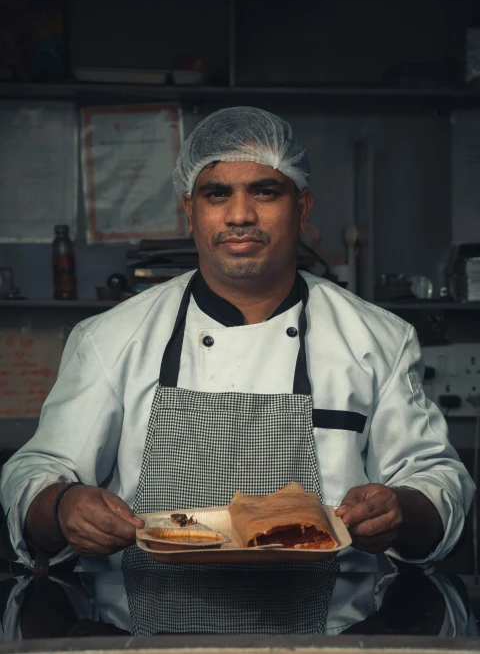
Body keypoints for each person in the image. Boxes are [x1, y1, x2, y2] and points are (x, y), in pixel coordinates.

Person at [0, 106, 475, 634]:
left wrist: (403, 509)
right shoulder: (111, 338)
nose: (240, 214)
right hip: (141, 638)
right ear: (190, 210)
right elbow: (34, 472)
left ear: (302, 207)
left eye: (266, 191)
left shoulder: (377, 339)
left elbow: (438, 480)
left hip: (336, 637)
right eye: (217, 193)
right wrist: (63, 503)